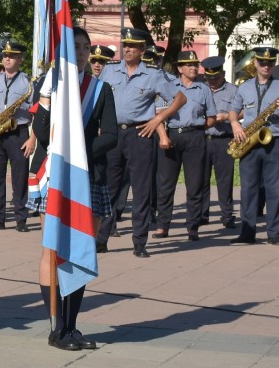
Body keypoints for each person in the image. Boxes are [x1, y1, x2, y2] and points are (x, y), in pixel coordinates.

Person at [27, 27, 116, 351]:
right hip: (54, 176)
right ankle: (56, 327)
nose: (80, 52)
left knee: (79, 249)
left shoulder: (101, 89)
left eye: (84, 47)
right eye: (74, 46)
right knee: (51, 250)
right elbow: (41, 132)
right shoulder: (50, 84)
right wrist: (45, 99)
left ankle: (72, 325)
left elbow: (111, 135)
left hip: (87, 176)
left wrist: (78, 154)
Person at [94, 28, 185, 257]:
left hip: (140, 134)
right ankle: (101, 239)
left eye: (132, 46)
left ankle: (139, 242)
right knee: (109, 188)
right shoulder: (109, 71)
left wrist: (158, 119)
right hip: (113, 135)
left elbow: (179, 98)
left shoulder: (153, 74)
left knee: (141, 189)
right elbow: (96, 100)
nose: (127, 49)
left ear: (142, 50)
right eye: (125, 45)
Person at [154, 51, 216, 241]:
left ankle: (193, 226)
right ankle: (162, 225)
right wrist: (163, 136)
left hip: (195, 137)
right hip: (171, 136)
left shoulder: (203, 89)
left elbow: (211, 117)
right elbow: (158, 115)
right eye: (189, 65)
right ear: (180, 68)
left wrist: (196, 129)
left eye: (196, 64)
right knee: (166, 184)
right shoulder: (169, 86)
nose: (194, 68)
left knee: (195, 183)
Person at [229, 46, 279, 245]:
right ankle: (247, 232)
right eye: (263, 62)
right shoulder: (244, 87)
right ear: (256, 63)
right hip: (249, 141)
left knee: (274, 189)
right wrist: (235, 125)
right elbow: (233, 111)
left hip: (274, 141)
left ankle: (274, 232)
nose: (267, 66)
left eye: (270, 63)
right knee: (248, 189)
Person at [0, 40, 34, 232]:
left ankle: (21, 219)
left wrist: (32, 138)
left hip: (18, 132)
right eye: (5, 55)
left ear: (20, 59)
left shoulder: (28, 82)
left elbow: (37, 110)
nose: (7, 59)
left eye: (12, 56)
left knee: (20, 177)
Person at [201, 56, 238, 229]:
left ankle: (227, 215)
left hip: (223, 139)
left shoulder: (233, 90)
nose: (212, 81)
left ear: (223, 74)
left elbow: (244, 111)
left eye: (215, 77)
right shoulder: (201, 88)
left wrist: (228, 117)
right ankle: (202, 215)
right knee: (201, 179)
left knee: (225, 180)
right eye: (209, 78)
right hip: (203, 139)